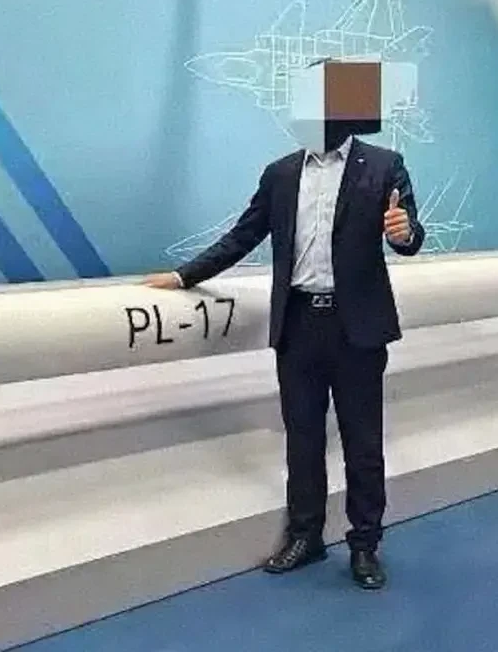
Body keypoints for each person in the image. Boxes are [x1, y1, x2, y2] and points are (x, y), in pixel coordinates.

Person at [144, 59, 425, 590]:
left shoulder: (385, 166)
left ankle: (365, 546)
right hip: (298, 327)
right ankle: (305, 536)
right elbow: (241, 236)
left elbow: (409, 237)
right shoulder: (280, 174)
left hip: (357, 329)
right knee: (302, 439)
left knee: (364, 443)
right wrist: (183, 276)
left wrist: (403, 232)